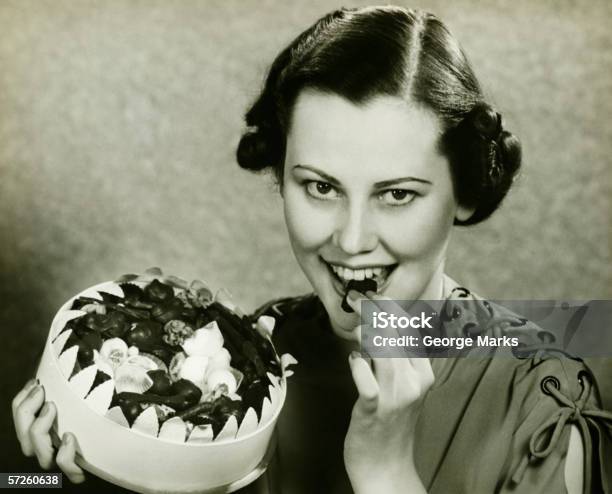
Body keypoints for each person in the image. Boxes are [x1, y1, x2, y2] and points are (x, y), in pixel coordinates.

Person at [12, 5, 611, 493]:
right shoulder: (239, 368)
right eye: (320, 187)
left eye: (397, 194)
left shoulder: (541, 404)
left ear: (463, 194)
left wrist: (385, 473)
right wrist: (56, 478)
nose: (350, 240)